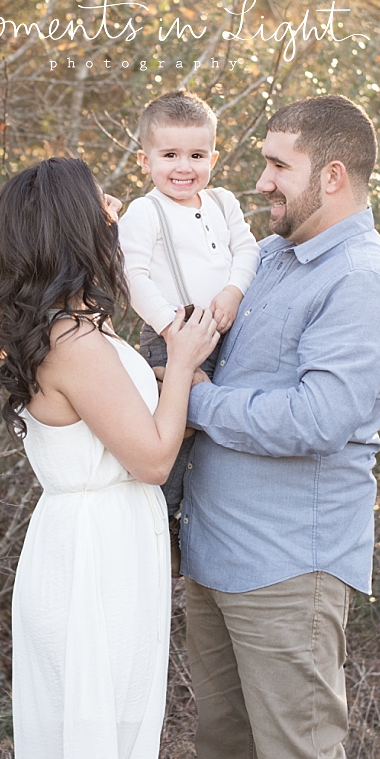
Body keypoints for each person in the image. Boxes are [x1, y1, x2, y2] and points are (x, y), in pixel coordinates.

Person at [180, 96, 380, 759]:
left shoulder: (365, 281)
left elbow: (318, 417)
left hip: (291, 568)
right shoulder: (273, 256)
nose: (261, 180)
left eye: (278, 166)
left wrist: (190, 403)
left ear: (333, 175)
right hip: (214, 552)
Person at [0, 156, 219, 759]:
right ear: (74, 226)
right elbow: (152, 455)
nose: (118, 210)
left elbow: (128, 428)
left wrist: (162, 372)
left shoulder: (78, 328)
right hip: (91, 565)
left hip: (100, 550)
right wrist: (181, 364)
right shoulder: (74, 341)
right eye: (103, 203)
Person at [119, 90, 260, 571]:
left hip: (225, 331)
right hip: (171, 336)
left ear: (213, 158)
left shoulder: (222, 202)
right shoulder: (145, 212)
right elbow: (131, 276)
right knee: (174, 436)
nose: (184, 167)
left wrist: (233, 293)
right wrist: (170, 326)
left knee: (216, 433)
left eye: (197, 155)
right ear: (145, 160)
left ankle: (207, 526)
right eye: (170, 155)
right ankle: (160, 525)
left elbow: (248, 252)